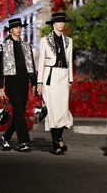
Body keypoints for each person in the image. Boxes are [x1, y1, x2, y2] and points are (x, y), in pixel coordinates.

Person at [0, 18, 37, 152]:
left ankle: (6, 137)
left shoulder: (26, 45)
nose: (18, 29)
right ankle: (23, 142)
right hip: (11, 82)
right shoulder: (4, 46)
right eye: (16, 27)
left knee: (19, 112)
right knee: (18, 110)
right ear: (11, 29)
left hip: (24, 82)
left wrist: (34, 83)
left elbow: (31, 65)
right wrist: (1, 87)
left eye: (19, 27)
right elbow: (0, 68)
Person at [37, 12, 73, 155]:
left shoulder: (69, 41)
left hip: (63, 76)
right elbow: (41, 63)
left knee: (63, 110)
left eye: (62, 22)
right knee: (52, 111)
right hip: (50, 76)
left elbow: (70, 61)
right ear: (53, 24)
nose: (61, 24)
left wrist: (70, 79)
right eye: (58, 22)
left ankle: (59, 138)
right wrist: (39, 82)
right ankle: (55, 143)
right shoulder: (45, 40)